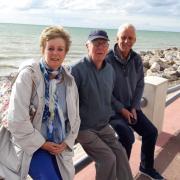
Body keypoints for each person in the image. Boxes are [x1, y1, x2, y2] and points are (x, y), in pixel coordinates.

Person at [0, 26, 80, 180]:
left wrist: (67, 142)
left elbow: (75, 118)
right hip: (31, 145)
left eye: (60, 49)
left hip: (59, 145)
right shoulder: (28, 76)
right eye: (51, 48)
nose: (55, 53)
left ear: (66, 52)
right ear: (43, 49)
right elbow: (16, 120)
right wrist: (42, 144)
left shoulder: (69, 81)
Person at [71, 29, 133, 180]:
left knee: (121, 153)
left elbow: (109, 97)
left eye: (103, 44)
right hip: (84, 129)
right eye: (96, 43)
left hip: (103, 126)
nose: (100, 47)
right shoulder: (75, 70)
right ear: (87, 46)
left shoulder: (110, 70)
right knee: (107, 159)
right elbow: (67, 104)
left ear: (108, 47)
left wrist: (122, 109)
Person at [106, 23, 164, 180]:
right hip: (113, 110)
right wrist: (121, 109)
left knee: (151, 132)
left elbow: (140, 84)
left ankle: (146, 167)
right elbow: (105, 91)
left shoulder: (136, 59)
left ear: (135, 40)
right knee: (126, 136)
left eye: (130, 38)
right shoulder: (107, 59)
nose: (126, 41)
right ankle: (122, 175)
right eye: (123, 37)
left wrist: (134, 107)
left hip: (131, 107)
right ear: (117, 38)